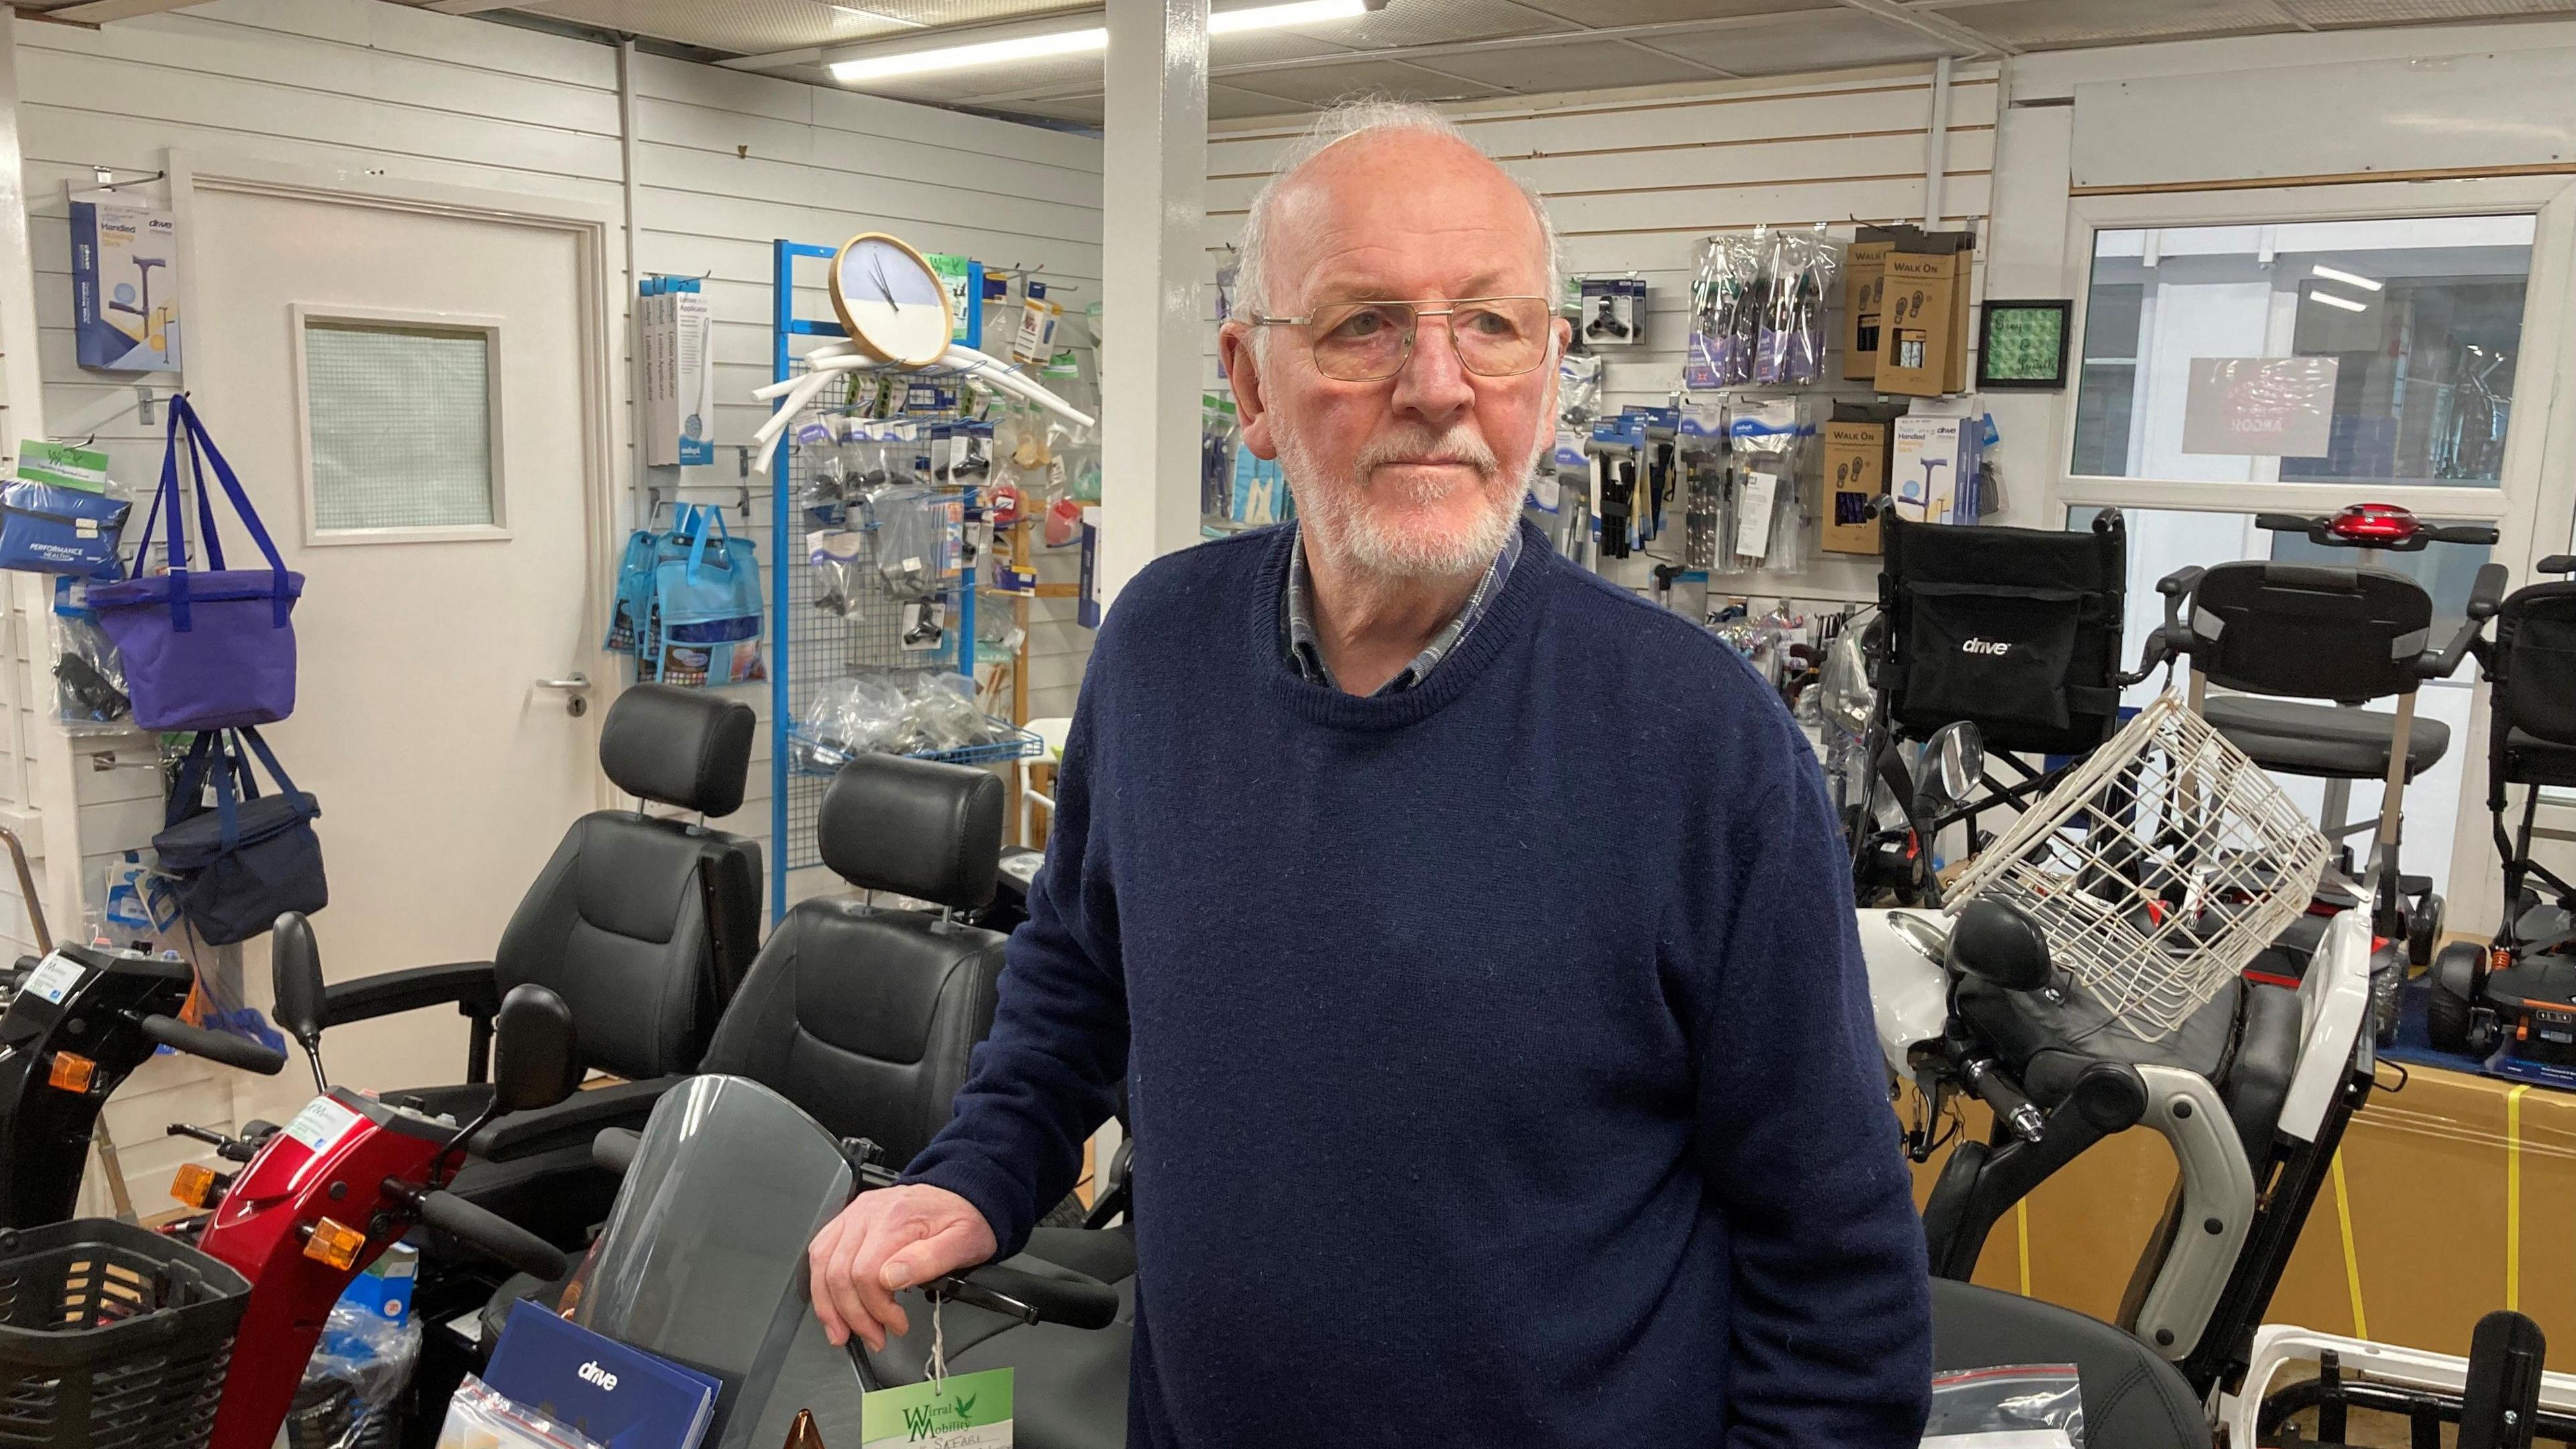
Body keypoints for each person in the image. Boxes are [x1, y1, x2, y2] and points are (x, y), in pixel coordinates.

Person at [807, 99, 1933, 1448]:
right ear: (1249, 383)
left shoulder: (1701, 741)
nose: (1440, 385)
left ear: (1553, 368)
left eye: (1493, 325)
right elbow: (1077, 977)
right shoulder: (1159, 648)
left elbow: (1836, 1273)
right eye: (1364, 324)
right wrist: (982, 1176)